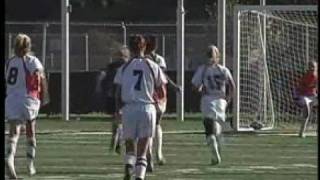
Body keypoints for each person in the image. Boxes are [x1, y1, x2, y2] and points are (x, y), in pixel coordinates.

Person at [114, 34, 167, 180]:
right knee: (143, 150)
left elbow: (117, 93)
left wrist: (118, 110)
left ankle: (129, 165)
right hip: (147, 108)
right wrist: (158, 105)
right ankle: (140, 176)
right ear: (145, 47)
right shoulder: (153, 66)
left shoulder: (124, 68)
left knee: (130, 144)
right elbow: (161, 90)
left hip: (129, 108)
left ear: (130, 48)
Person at [5, 33, 49, 179]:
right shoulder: (32, 61)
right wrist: (44, 96)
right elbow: (39, 79)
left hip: (12, 98)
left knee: (14, 132)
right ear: (28, 46)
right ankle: (30, 165)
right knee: (31, 130)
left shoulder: (9, 62)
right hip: (28, 98)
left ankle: (10, 159)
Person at [191, 45, 235, 165]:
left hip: (208, 99)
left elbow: (195, 87)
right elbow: (232, 85)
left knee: (208, 127)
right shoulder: (223, 69)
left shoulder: (203, 69)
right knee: (216, 126)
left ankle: (215, 154)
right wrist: (228, 99)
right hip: (221, 101)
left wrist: (200, 89)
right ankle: (217, 145)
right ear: (218, 57)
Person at [144, 35, 181, 171]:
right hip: (158, 96)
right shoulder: (157, 59)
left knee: (149, 126)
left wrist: (173, 86)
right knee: (156, 124)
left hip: (149, 95)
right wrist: (174, 86)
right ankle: (157, 154)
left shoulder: (144, 60)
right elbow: (163, 77)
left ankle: (152, 156)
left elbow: (162, 76)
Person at [99, 46, 130, 154]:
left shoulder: (128, 67)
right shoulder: (114, 67)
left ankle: (116, 142)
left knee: (118, 122)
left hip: (122, 97)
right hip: (116, 97)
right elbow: (107, 81)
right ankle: (117, 142)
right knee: (118, 121)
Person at [293, 61, 318, 138]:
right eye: (310, 66)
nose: (312, 68)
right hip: (303, 96)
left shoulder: (317, 76)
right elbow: (300, 88)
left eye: (313, 66)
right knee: (306, 112)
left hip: (312, 96)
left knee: (308, 111)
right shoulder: (305, 77)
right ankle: (301, 132)